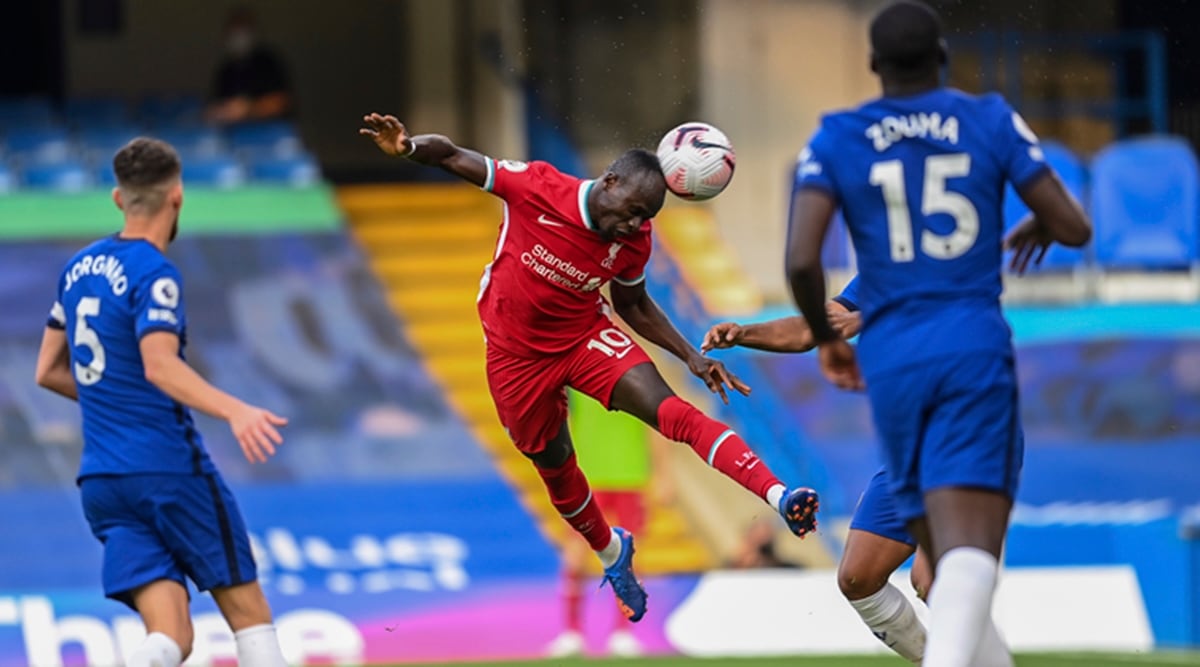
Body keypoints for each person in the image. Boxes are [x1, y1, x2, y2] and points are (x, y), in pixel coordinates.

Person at [359, 112, 821, 623]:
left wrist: (691, 356)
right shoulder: (537, 186)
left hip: (584, 339)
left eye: (645, 218)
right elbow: (450, 154)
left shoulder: (634, 241)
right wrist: (405, 148)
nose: (633, 225)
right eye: (631, 211)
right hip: (514, 357)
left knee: (673, 414)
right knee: (555, 469)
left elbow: (635, 304)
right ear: (610, 181)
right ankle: (609, 554)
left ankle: (780, 496)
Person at [784, 1, 1092, 664]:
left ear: (872, 65)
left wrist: (830, 339)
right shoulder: (987, 118)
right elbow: (1074, 227)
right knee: (965, 553)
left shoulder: (837, 135)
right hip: (972, 349)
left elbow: (802, 259)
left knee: (939, 567)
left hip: (894, 364)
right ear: (943, 55)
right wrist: (1040, 220)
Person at [34, 138, 292, 667]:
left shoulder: (78, 269)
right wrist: (235, 409)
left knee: (171, 637)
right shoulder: (155, 274)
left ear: (116, 198)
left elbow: (48, 371)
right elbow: (159, 365)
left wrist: (114, 400)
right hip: (168, 468)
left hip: (103, 481)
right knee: (249, 615)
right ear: (176, 197)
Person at [703, 276, 934, 662]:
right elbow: (815, 326)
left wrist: (868, 317)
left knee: (929, 581)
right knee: (857, 579)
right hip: (908, 450)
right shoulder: (879, 271)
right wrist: (744, 333)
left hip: (966, 431)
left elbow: (959, 319)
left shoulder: (943, 261)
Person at [546, 389, 671, 658]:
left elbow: (656, 426)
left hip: (631, 477)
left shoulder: (635, 376)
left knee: (628, 559)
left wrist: (663, 474)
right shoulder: (573, 377)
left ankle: (622, 633)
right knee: (575, 555)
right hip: (586, 478)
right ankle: (571, 633)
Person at [206, 6, 294, 124]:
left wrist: (249, 109)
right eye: (234, 31)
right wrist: (219, 112)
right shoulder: (226, 69)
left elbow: (282, 101)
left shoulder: (268, 62)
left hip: (270, 133)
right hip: (234, 137)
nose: (238, 36)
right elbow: (215, 106)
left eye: (242, 30)